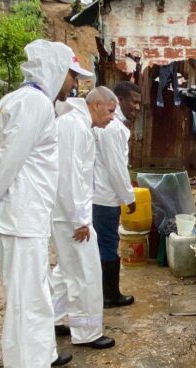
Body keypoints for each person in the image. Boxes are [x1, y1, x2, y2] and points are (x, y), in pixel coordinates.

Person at [0, 40, 90, 368]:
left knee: (34, 302)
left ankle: (41, 365)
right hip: (21, 220)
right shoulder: (34, 104)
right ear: (53, 69)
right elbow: (5, 161)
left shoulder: (11, 102)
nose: (73, 85)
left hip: (20, 219)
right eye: (71, 76)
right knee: (28, 309)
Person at [51, 87, 119, 349]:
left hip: (66, 211)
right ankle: (87, 333)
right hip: (71, 214)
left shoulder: (75, 124)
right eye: (110, 110)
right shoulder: (75, 127)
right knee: (85, 273)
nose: (112, 117)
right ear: (96, 104)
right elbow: (69, 174)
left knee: (66, 270)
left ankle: (53, 319)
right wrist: (80, 219)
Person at [92, 81, 142, 308]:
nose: (137, 107)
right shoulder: (112, 127)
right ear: (119, 100)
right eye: (134, 102)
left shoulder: (112, 125)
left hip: (100, 193)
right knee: (108, 243)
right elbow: (116, 167)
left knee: (102, 242)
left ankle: (104, 293)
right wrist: (129, 197)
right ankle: (109, 295)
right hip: (104, 196)